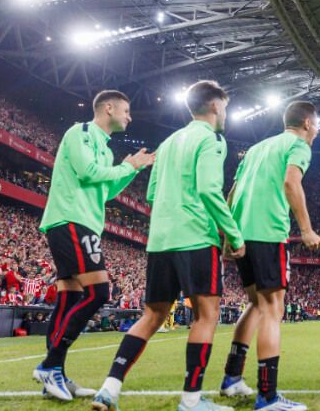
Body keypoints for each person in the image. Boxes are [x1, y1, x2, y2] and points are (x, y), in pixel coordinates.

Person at [92, 80, 245, 411]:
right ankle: (191, 400)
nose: (226, 112)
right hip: (195, 237)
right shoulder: (211, 140)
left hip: (160, 240)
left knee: (152, 315)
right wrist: (234, 236)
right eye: (226, 106)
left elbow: (150, 194)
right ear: (216, 106)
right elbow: (208, 189)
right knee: (207, 314)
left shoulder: (170, 141)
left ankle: (109, 389)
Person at [34, 90, 154, 400]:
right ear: (109, 108)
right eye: (126, 110)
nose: (129, 116)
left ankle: (55, 373)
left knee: (69, 296)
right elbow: (88, 174)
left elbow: (108, 190)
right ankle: (50, 365)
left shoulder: (104, 146)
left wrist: (132, 168)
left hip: (82, 221)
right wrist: (128, 168)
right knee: (99, 292)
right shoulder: (81, 132)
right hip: (72, 220)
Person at [219, 101, 320, 411]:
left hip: (241, 233)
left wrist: (228, 234)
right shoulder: (299, 145)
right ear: (306, 123)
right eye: (316, 125)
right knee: (273, 310)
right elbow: (291, 182)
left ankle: (232, 378)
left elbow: (233, 192)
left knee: (256, 304)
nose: (316, 130)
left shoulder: (257, 148)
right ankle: (267, 397)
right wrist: (306, 229)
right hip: (267, 232)